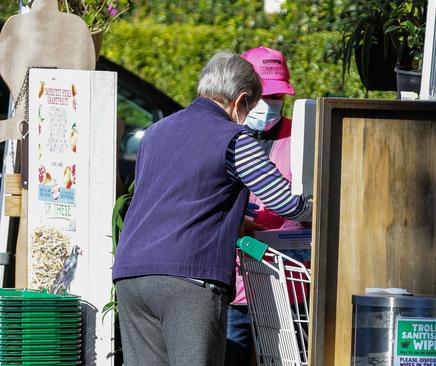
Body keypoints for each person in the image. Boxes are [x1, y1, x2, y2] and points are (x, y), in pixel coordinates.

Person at [112, 51, 312, 366]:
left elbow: (174, 197)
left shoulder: (154, 133)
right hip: (189, 276)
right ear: (241, 100)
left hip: (131, 272)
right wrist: (317, 212)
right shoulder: (235, 139)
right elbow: (282, 200)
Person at [225, 46, 304, 366]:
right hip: (236, 285)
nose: (270, 105)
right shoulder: (224, 136)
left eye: (277, 97)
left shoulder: (300, 138)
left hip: (290, 283)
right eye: (263, 95)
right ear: (243, 95)